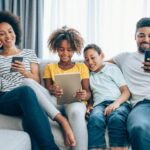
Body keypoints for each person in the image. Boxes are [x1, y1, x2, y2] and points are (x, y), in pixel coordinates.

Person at [0, 11, 60, 150]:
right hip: (5, 98)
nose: (8, 36)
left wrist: (24, 72)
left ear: (15, 32)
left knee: (30, 117)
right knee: (25, 92)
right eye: (2, 34)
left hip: (28, 97)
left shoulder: (28, 53)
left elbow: (37, 81)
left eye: (10, 31)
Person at [43, 26, 91, 150]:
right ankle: (62, 120)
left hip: (75, 102)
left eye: (69, 50)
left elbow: (88, 92)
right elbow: (47, 90)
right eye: (61, 49)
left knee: (75, 112)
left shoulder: (82, 67)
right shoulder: (50, 67)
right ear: (56, 49)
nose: (65, 53)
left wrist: (84, 95)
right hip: (56, 103)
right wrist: (52, 89)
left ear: (74, 50)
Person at [108, 17, 150, 150]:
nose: (146, 39)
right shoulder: (124, 57)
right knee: (138, 127)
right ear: (135, 37)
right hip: (142, 105)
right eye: (141, 35)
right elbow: (96, 65)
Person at [83, 44, 131, 150]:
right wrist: (89, 105)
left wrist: (116, 104)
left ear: (102, 56)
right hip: (99, 105)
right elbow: (89, 94)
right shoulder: (87, 75)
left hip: (119, 103)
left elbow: (126, 92)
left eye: (93, 57)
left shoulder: (112, 68)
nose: (90, 62)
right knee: (95, 119)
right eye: (86, 60)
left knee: (116, 117)